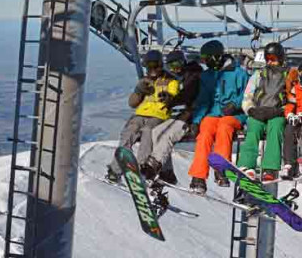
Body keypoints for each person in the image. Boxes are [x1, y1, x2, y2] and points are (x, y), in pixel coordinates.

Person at [106, 50, 180, 182]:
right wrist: (138, 91)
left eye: (155, 65)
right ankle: (115, 170)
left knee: (148, 132)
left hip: (159, 115)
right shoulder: (144, 81)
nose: (152, 69)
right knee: (128, 133)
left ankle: (142, 167)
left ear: (159, 65)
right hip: (140, 114)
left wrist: (167, 97)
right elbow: (132, 103)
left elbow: (174, 92)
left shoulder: (170, 80)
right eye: (149, 66)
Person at [188, 40, 249, 194]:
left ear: (215, 57)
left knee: (224, 127)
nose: (204, 62)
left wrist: (235, 105)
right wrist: (196, 121)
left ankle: (221, 170)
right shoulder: (207, 76)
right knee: (205, 133)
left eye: (206, 58)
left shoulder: (238, 73)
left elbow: (248, 94)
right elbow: (204, 101)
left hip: (235, 114)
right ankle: (198, 176)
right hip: (214, 113)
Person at [139, 50, 203, 185]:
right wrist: (169, 98)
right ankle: (167, 173)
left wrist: (171, 101)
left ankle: (154, 165)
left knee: (168, 136)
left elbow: (187, 94)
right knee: (155, 131)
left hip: (193, 116)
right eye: (172, 66)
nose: (176, 68)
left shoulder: (194, 75)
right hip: (185, 114)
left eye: (178, 64)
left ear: (184, 62)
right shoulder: (182, 76)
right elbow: (181, 95)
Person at [238, 42, 288, 181]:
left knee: (276, 128)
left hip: (277, 112)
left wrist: (283, 110)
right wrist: (251, 109)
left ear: (281, 58)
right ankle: (247, 165)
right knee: (253, 127)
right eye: (268, 59)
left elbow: (292, 97)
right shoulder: (259, 74)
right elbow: (248, 95)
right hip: (259, 111)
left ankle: (270, 168)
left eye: (274, 58)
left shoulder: (288, 75)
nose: (271, 62)